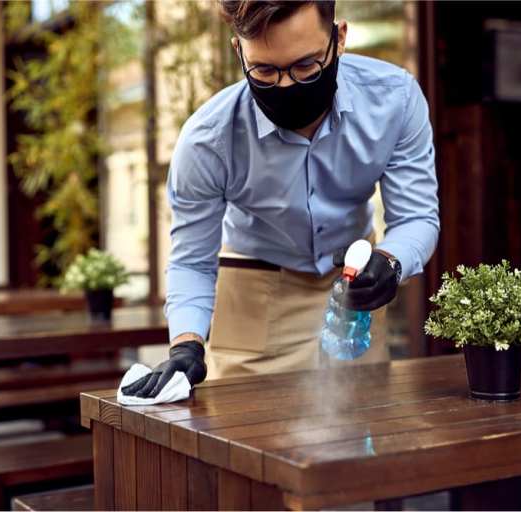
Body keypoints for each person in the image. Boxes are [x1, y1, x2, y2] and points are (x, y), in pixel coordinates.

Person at [122, 0, 439, 398]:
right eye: (265, 71)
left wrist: (390, 263)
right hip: (255, 298)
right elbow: (191, 260)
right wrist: (186, 343)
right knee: (242, 431)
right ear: (239, 51)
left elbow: (417, 217)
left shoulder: (395, 100)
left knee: (362, 424)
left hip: (354, 294)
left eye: (306, 66)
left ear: (339, 38)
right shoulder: (208, 139)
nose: (287, 86)